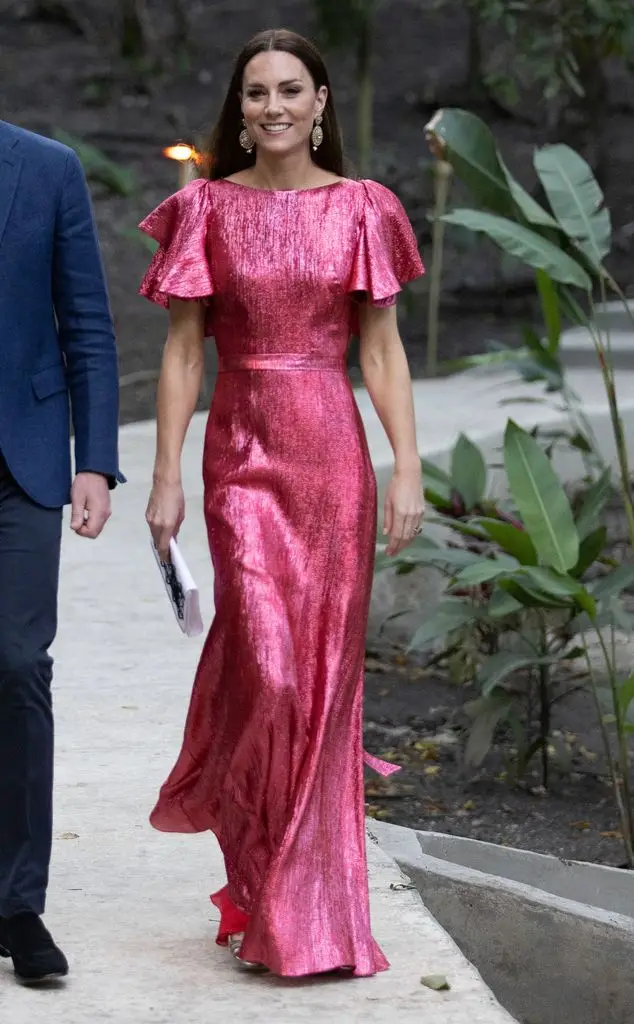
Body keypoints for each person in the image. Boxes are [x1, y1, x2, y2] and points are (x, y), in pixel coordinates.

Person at [141, 28, 424, 978]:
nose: (271, 106)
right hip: (243, 455)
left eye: (289, 90)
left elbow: (380, 349)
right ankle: (260, 879)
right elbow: (185, 350)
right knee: (267, 671)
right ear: (242, 107)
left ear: (321, 102)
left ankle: (301, 910)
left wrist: (408, 466)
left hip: (332, 459)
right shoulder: (205, 208)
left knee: (325, 679)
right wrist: (168, 473)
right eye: (255, 91)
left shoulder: (364, 208)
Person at [0, 120, 123, 984]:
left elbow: (87, 320)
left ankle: (16, 903)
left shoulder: (48, 167)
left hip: (25, 457)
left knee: (14, 665)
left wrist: (95, 459)